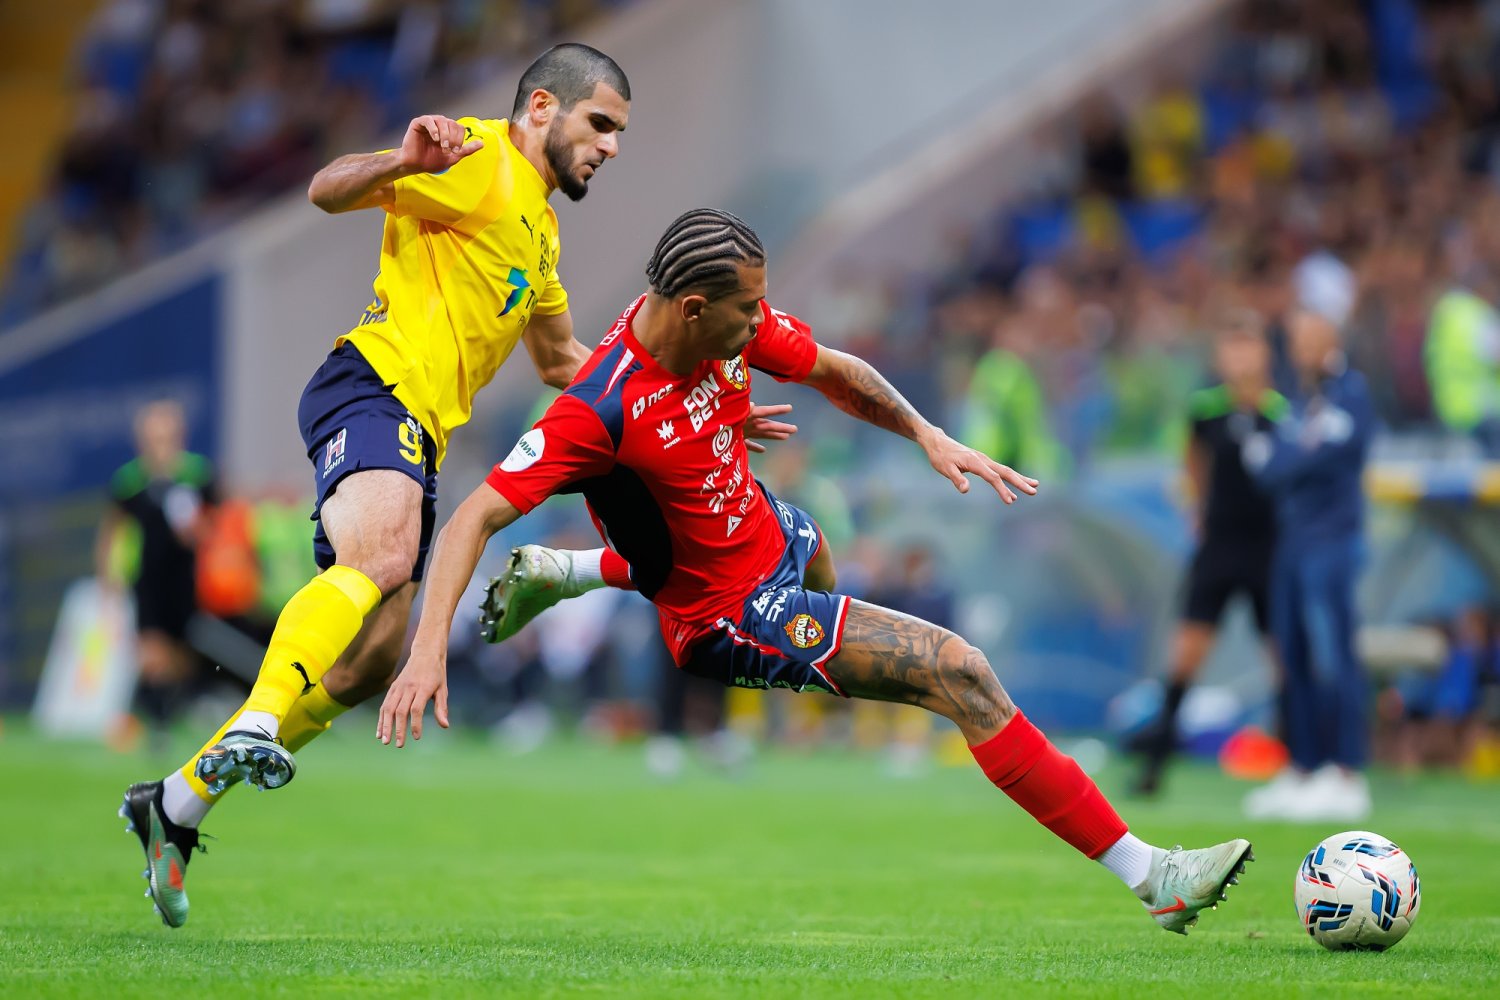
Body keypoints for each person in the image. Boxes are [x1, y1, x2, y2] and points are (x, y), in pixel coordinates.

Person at [374, 209, 1255, 934]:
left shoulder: (717, 329)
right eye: (748, 309)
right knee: (960, 671)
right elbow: (472, 515)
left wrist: (927, 434)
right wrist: (426, 649)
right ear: (692, 308)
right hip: (728, 615)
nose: (762, 322)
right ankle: (1154, 876)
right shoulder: (597, 410)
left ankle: (572, 570)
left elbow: (836, 371)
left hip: (772, 534)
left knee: (820, 548)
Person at [118, 43, 637, 929]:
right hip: (371, 385)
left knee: (368, 664)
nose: (612, 147)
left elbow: (560, 360)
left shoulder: (543, 229)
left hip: (419, 434)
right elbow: (327, 189)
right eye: (602, 124)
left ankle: (177, 799)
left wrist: (664, 402)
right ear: (544, 108)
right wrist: (402, 162)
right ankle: (258, 719)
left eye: (620, 133)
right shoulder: (476, 157)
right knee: (387, 554)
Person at [1131, 310, 1285, 796]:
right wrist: (1198, 513)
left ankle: (1297, 764)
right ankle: (1155, 764)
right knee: (1185, 656)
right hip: (1219, 547)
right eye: (1231, 347)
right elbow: (1194, 464)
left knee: (1282, 658)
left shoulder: (1280, 412)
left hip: (1267, 549)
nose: (1239, 357)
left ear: (1265, 354)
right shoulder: (1206, 410)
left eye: (1248, 345)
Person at [1241, 306, 1377, 821]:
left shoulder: (1351, 394)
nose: (1298, 350)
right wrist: (1300, 454)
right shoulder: (1299, 401)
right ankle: (1304, 766)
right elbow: (1268, 469)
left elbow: (1318, 456)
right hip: (1293, 540)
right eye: (1295, 339)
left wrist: (1294, 456)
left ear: (1329, 341)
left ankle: (1347, 771)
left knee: (1334, 654)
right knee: (1292, 653)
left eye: (1307, 339)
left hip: (1333, 540)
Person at [96, 399, 218, 745]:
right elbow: (111, 531)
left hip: (185, 579)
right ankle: (158, 723)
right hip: (147, 577)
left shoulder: (197, 474)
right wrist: (107, 577)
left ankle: (171, 707)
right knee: (152, 651)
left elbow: (213, 526)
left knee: (181, 655)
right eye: (153, 438)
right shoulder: (130, 480)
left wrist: (195, 532)